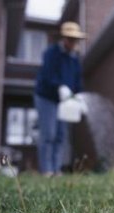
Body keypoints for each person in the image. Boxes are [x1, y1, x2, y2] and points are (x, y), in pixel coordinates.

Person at [34, 22, 86, 176]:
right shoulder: (51, 53)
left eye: (75, 40)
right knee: (48, 134)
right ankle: (47, 170)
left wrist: (79, 96)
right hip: (46, 97)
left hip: (64, 102)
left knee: (60, 135)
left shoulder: (75, 59)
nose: (72, 43)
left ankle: (57, 170)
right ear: (64, 38)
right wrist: (60, 86)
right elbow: (48, 75)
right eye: (70, 39)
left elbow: (77, 81)